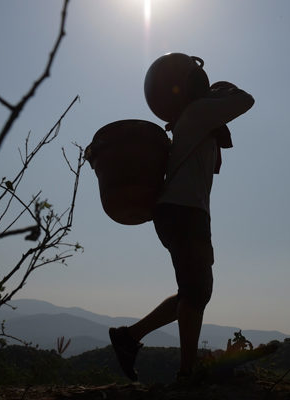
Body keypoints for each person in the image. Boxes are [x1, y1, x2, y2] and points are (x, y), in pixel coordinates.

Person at [109, 60, 254, 381]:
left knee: (194, 291)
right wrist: (224, 88)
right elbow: (245, 100)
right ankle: (186, 371)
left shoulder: (194, 119)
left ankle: (129, 337)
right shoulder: (199, 112)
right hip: (183, 210)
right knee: (196, 291)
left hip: (185, 211)